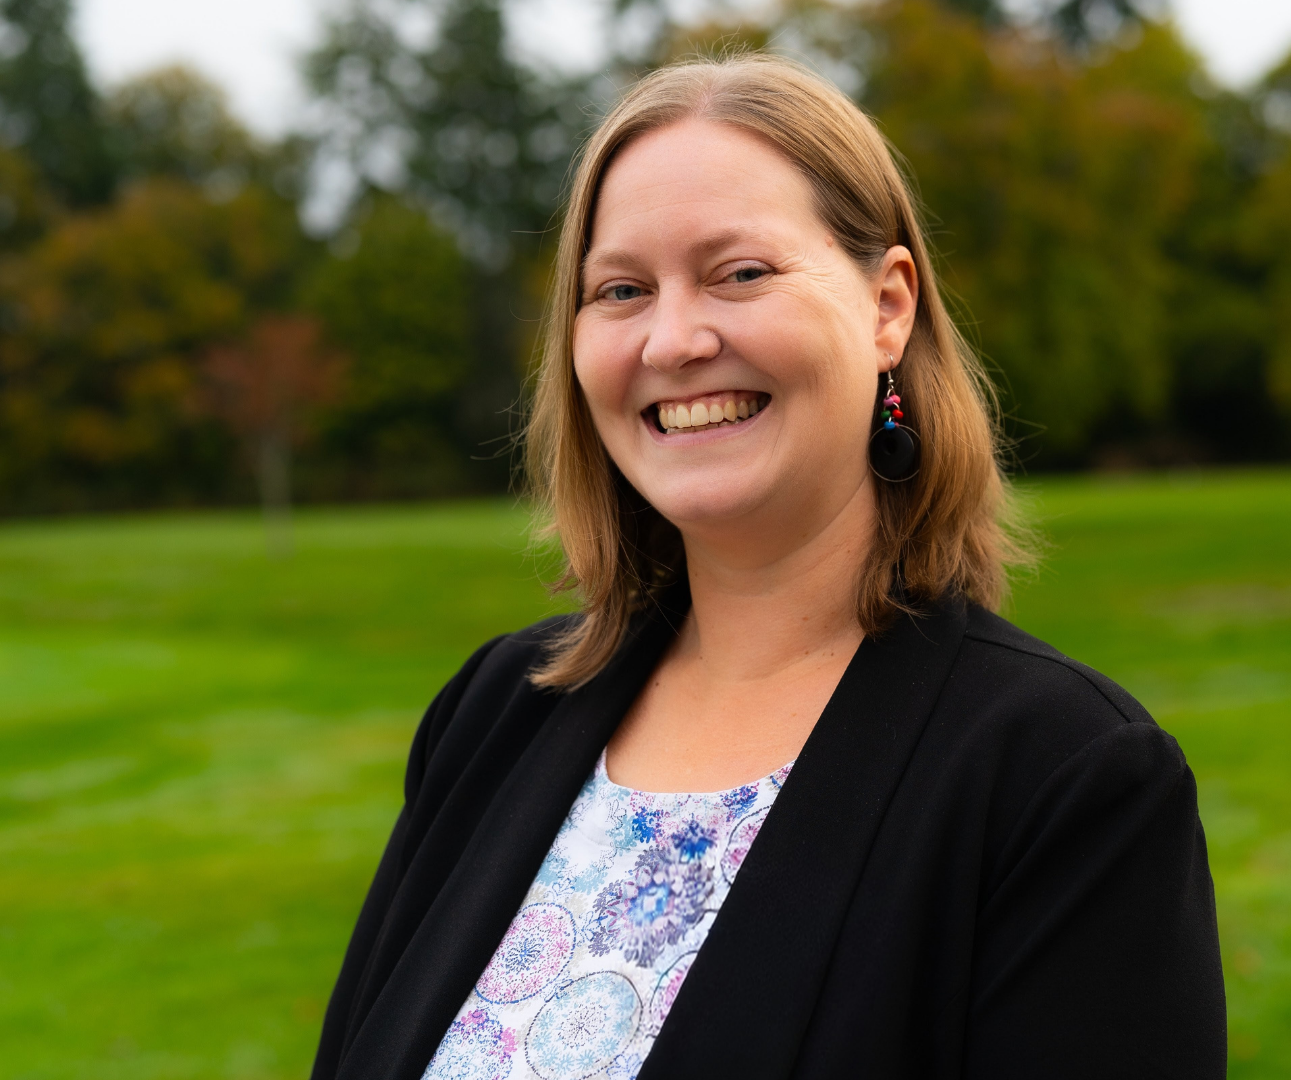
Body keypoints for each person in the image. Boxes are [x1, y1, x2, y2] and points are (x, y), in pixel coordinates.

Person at [311, 55, 1226, 1080]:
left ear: (888, 307)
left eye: (739, 273)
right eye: (620, 290)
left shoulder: (1064, 781)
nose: (672, 339)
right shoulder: (493, 714)